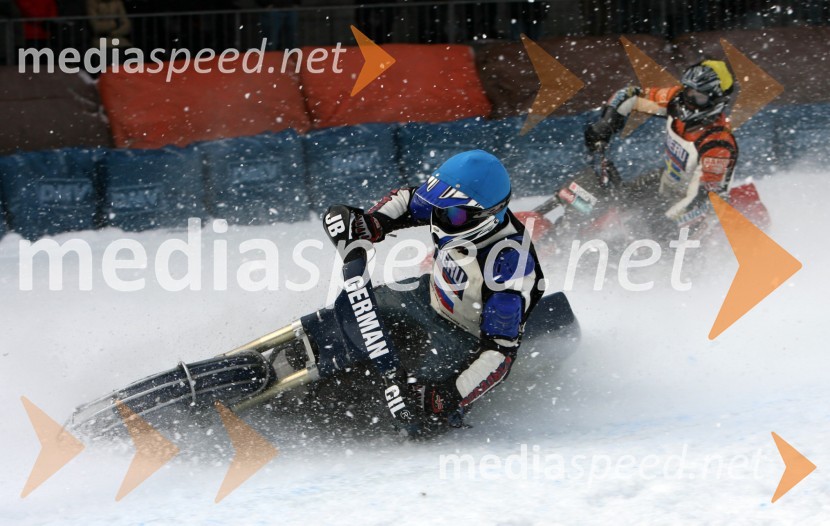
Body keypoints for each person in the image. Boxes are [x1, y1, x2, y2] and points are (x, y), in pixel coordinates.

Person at [335, 150, 544, 434]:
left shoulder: (508, 270)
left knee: (418, 417)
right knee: (342, 315)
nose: (438, 218)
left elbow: (499, 355)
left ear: (485, 216)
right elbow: (409, 200)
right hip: (427, 294)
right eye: (437, 207)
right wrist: (370, 223)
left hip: (463, 338)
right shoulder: (453, 210)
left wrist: (444, 397)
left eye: (452, 214)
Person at [583, 60, 738, 232]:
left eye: (699, 97)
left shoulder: (717, 144)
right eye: (688, 90)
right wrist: (606, 123)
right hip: (667, 186)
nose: (689, 101)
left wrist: (666, 223)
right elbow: (631, 95)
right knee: (616, 201)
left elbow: (706, 199)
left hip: (695, 217)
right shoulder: (676, 100)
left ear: (717, 100)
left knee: (649, 234)